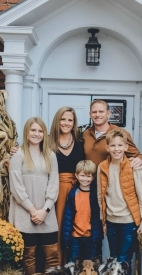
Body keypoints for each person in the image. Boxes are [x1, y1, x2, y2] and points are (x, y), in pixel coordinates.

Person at [97, 129, 142, 275]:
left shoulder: (133, 166)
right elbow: (100, 197)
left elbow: (141, 194)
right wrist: (103, 221)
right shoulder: (102, 166)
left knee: (123, 264)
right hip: (111, 222)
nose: (117, 149)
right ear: (107, 147)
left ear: (126, 147)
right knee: (113, 263)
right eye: (113, 146)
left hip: (128, 222)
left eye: (120, 145)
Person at [9, 117, 59, 275]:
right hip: (25, 213)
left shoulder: (50, 156)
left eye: (40, 131)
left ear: (44, 134)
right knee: (28, 258)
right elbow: (16, 186)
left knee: (51, 257)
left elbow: (54, 184)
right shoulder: (18, 155)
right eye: (33, 130)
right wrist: (32, 210)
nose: (36, 134)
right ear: (26, 132)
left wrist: (45, 210)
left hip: (47, 213)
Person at [48, 107, 85, 263]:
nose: (66, 123)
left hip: (77, 190)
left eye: (70, 120)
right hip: (55, 191)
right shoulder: (48, 141)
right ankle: (56, 265)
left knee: (75, 229)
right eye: (63, 119)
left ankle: (73, 267)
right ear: (57, 120)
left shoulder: (80, 141)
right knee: (57, 228)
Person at [82, 99, 142, 169]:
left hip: (111, 178)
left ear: (108, 114)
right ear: (90, 114)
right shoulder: (86, 134)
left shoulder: (119, 133)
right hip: (88, 179)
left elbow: (138, 156)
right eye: (94, 112)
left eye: (101, 111)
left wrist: (140, 161)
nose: (97, 115)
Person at [61, 160, 103, 262]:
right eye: (82, 176)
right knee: (73, 266)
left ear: (93, 177)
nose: (85, 179)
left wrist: (98, 236)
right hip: (75, 237)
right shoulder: (73, 194)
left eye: (89, 176)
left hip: (91, 237)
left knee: (90, 266)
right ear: (76, 175)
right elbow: (68, 217)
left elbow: (98, 218)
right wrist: (66, 239)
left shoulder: (95, 194)